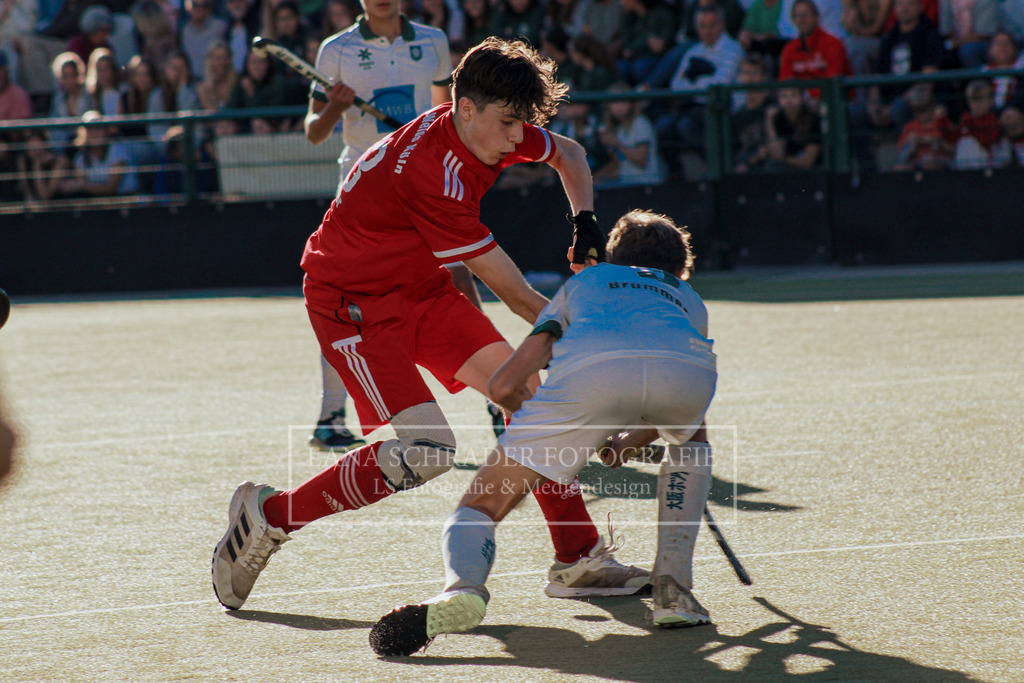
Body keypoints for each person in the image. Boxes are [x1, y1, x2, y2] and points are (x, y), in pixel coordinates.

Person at [212, 37, 646, 612]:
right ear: (467, 108)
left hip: (422, 288)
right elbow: (516, 295)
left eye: (524, 124)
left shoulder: (484, 127)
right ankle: (269, 515)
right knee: (428, 451)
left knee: (527, 400)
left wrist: (585, 223)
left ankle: (578, 558)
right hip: (353, 306)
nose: (520, 138)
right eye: (511, 124)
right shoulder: (433, 174)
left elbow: (569, 153)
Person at [368, 209, 718, 656]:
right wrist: (624, 443)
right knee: (692, 441)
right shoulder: (689, 299)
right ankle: (675, 590)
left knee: (481, 504)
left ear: (611, 258)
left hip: (586, 382)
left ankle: (462, 588)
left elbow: (504, 385)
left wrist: (540, 429)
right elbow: (678, 401)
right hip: (685, 382)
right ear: (680, 269)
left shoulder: (583, 285)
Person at [778, 0, 852, 101]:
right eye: (797, 16)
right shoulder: (790, 49)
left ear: (816, 16)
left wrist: (809, 96)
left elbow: (833, 82)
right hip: (801, 105)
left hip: (834, 102)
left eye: (805, 15)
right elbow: (786, 83)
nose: (801, 20)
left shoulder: (833, 43)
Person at [592, 83, 664, 186]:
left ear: (631, 103)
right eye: (615, 102)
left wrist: (616, 143)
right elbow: (617, 166)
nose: (619, 106)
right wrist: (593, 179)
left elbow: (641, 160)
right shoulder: (620, 129)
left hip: (646, 185)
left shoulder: (640, 123)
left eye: (623, 101)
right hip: (626, 184)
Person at [893, 82, 955, 170]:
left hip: (943, 168)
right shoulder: (909, 128)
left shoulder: (942, 123)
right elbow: (899, 159)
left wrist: (936, 142)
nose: (922, 114)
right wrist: (908, 144)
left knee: (930, 162)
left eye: (925, 109)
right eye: (918, 110)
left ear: (932, 105)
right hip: (917, 169)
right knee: (901, 168)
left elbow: (955, 151)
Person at [953, 78, 1001, 167]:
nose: (977, 105)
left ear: (991, 101)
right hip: (967, 170)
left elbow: (988, 140)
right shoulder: (965, 120)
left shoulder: (995, 119)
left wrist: (971, 125)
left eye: (980, 99)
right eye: (973, 100)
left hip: (992, 167)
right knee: (966, 141)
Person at [180, 0, 229, 83]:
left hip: (215, 81)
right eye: (194, 5)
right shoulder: (185, 30)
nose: (200, 9)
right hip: (190, 81)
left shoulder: (221, 27)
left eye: (205, 5)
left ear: (210, 7)